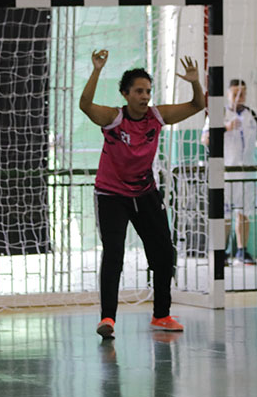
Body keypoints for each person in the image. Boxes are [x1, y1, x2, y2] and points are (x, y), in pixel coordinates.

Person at [79, 49, 205, 338]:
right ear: (125, 94)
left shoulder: (157, 116)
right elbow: (85, 105)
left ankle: (161, 315)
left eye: (148, 91)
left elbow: (198, 104)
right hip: (111, 195)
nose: (145, 96)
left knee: (163, 253)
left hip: (145, 193)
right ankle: (107, 318)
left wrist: (195, 82)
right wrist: (97, 69)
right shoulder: (113, 118)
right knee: (114, 253)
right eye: (138, 91)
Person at [201, 79, 257, 266]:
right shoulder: (219, 114)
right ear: (228, 94)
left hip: (247, 172)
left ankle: (242, 250)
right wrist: (226, 128)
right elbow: (205, 139)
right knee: (225, 214)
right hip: (226, 173)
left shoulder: (253, 114)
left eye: (243, 92)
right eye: (236, 92)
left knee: (244, 213)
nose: (240, 96)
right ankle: (221, 252)